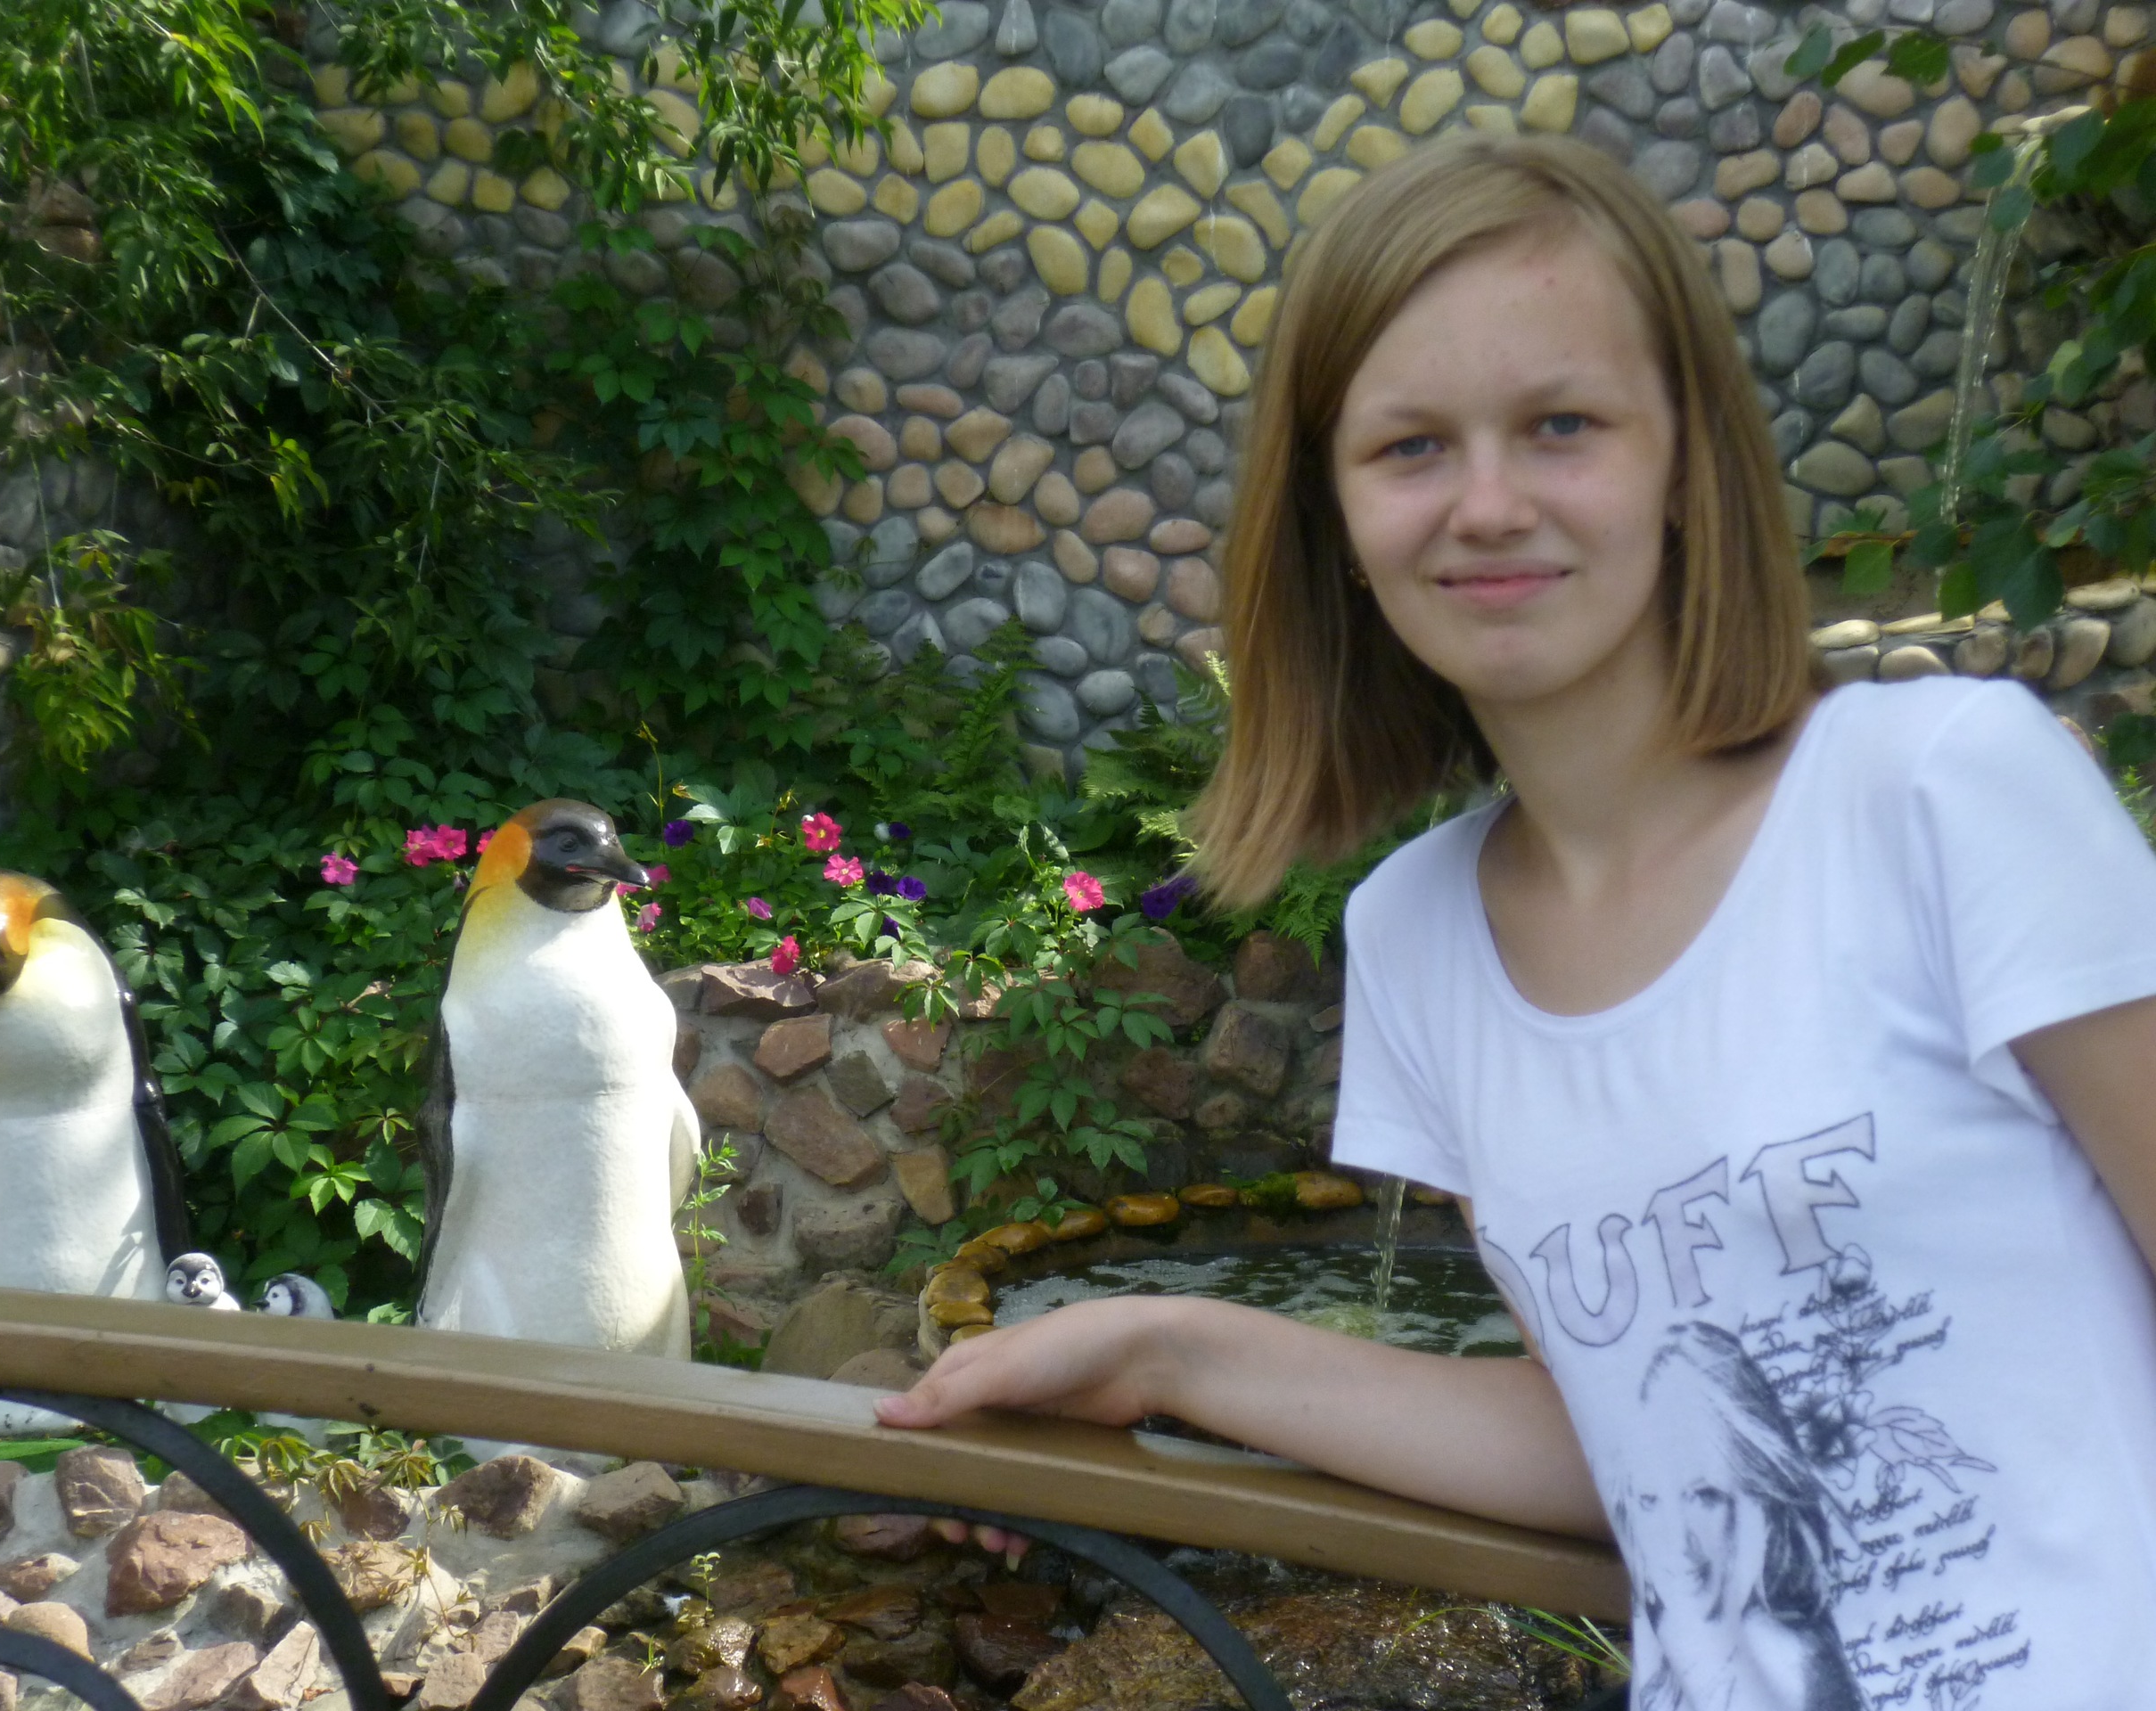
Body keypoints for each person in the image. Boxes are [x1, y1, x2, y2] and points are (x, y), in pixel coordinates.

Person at [877, 132, 2156, 1707]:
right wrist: (1164, 1352)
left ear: (1684, 462)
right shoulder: (1419, 934)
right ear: (1335, 521)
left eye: (1562, 426)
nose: (1487, 505)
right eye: (1410, 447)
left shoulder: (1941, 788)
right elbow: (1624, 1442)